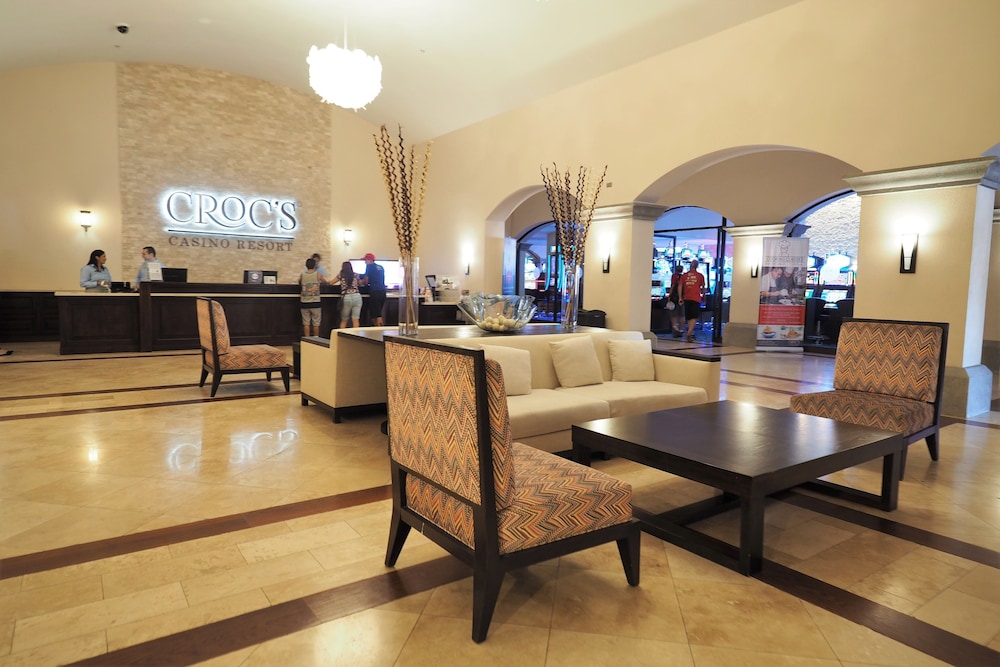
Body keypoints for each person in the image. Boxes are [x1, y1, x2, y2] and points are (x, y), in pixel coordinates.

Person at [679, 258, 706, 343]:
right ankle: (689, 332)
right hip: (695, 298)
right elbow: (703, 288)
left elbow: (680, 286)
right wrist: (704, 297)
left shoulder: (684, 275)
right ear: (697, 266)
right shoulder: (700, 276)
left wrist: (680, 297)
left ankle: (690, 333)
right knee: (694, 316)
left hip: (686, 298)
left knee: (689, 316)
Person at [299, 257, 326, 337]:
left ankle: (307, 340)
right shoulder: (318, 274)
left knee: (306, 323)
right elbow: (325, 282)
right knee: (316, 323)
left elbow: (299, 282)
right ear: (314, 265)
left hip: (304, 302)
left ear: (306, 265)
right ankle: (316, 339)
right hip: (315, 302)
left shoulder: (302, 275)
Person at [359, 252, 386, 326]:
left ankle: (380, 330)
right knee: (376, 313)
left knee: (377, 315)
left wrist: (361, 282)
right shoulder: (380, 267)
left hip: (375, 292)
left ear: (369, 260)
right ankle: (376, 329)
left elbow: (366, 281)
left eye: (365, 260)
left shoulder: (369, 267)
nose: (365, 262)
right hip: (383, 292)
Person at [335, 260, 362, 328]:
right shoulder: (356, 275)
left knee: (344, 320)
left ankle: (341, 334)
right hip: (357, 296)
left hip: (346, 297)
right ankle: (356, 334)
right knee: (355, 320)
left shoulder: (341, 275)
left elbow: (331, 283)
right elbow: (360, 283)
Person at [667, 264, 685, 337]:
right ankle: (681, 330)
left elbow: (673, 286)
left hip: (674, 298)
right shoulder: (684, 277)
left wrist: (669, 295)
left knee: (673, 314)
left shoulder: (674, 276)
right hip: (683, 297)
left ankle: (675, 328)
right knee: (682, 314)